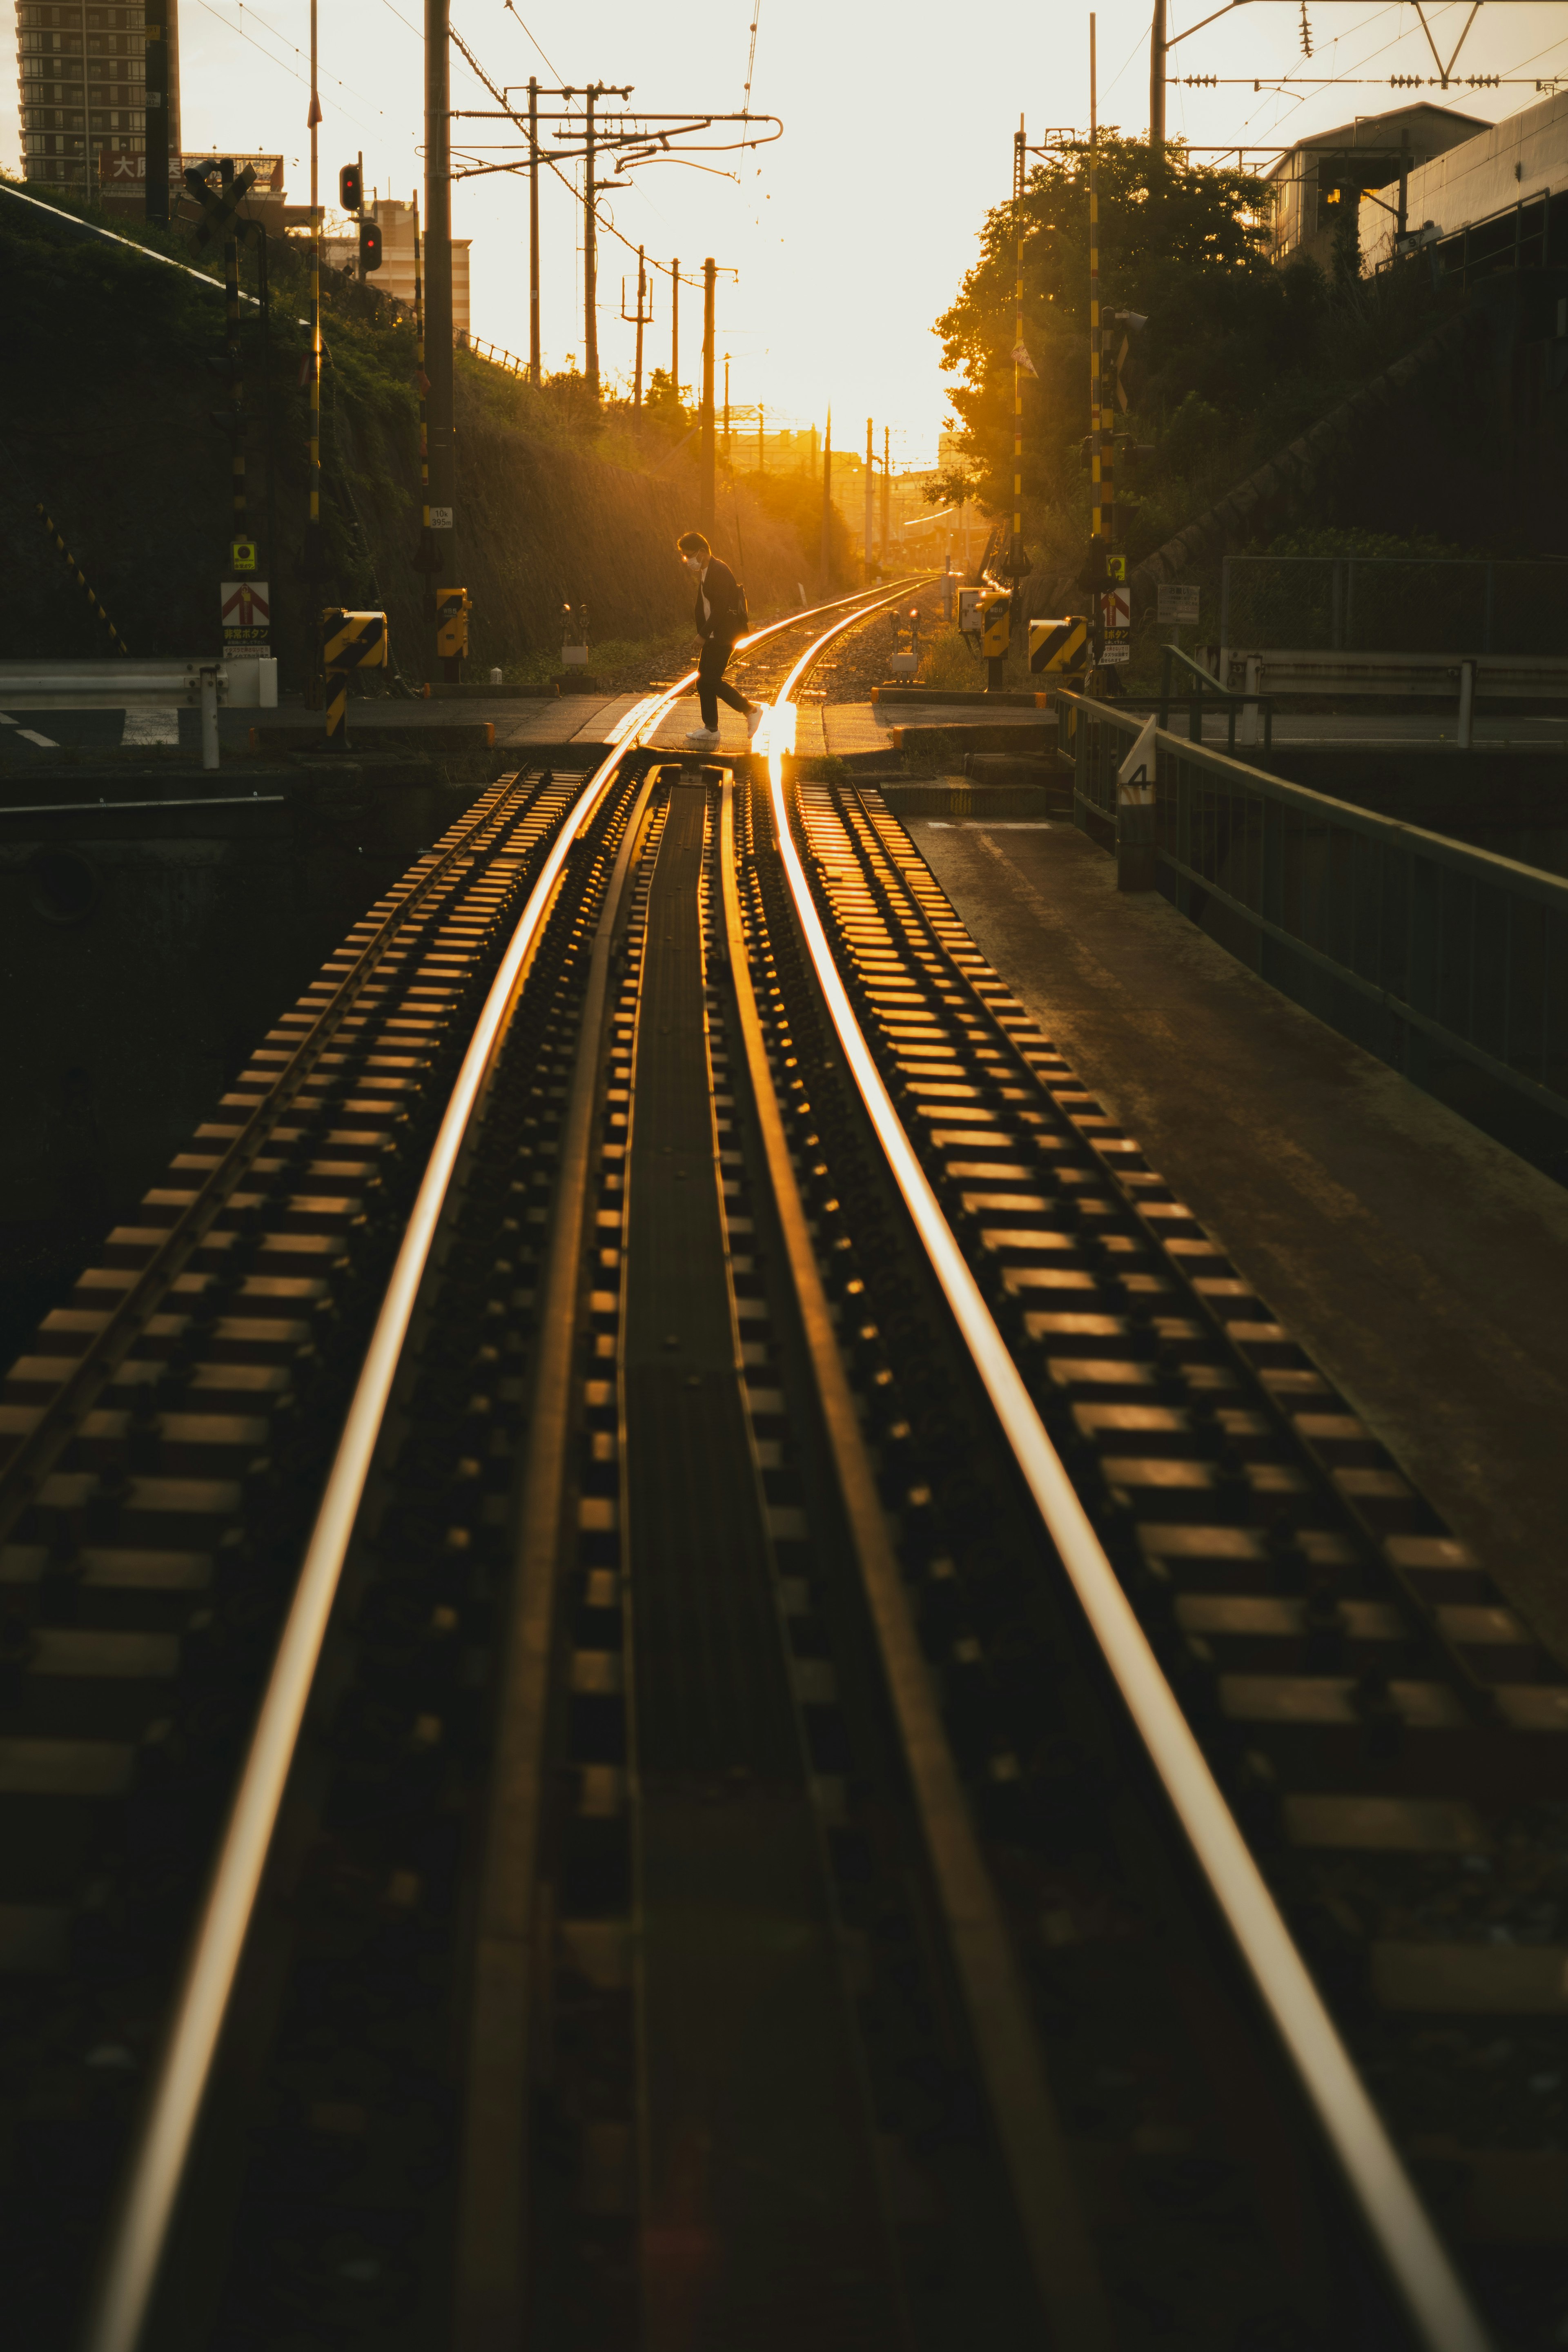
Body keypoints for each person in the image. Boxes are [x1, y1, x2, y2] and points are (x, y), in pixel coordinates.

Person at [677, 531, 764, 749]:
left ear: (702, 552)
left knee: (711, 680)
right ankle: (711, 729)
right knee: (703, 680)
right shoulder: (707, 571)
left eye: (689, 556)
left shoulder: (719, 570)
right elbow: (704, 608)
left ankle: (751, 711)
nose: (688, 561)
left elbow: (720, 609)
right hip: (714, 636)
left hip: (724, 636)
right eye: (685, 556)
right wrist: (705, 634)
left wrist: (703, 634)